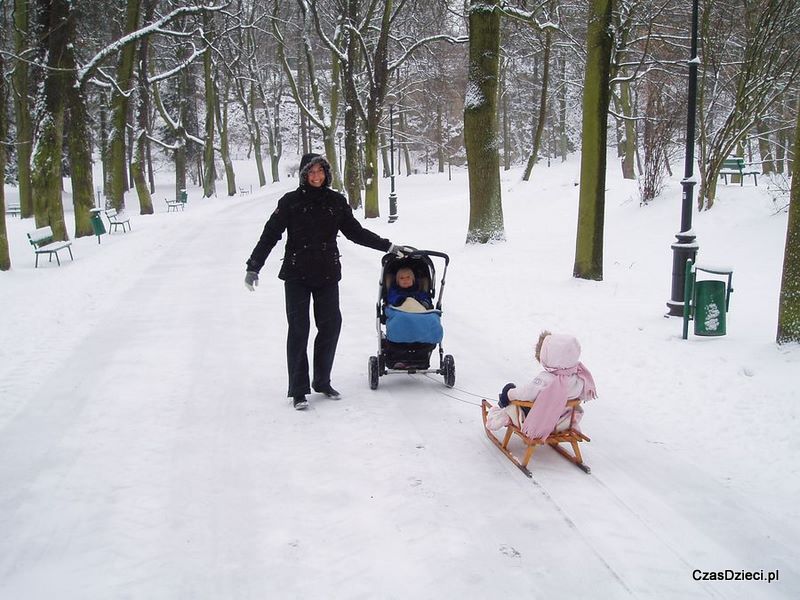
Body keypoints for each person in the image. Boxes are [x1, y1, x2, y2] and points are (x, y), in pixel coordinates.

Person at [245, 153, 412, 410]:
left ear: (326, 173)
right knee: (299, 331)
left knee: (331, 326)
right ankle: (299, 390)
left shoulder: (335, 201)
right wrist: (254, 266)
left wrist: (387, 246)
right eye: (311, 173)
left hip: (326, 274)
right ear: (303, 175)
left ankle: (322, 381)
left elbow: (355, 232)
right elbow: (270, 235)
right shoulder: (290, 202)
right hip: (296, 274)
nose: (316, 177)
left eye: (320, 172)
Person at [487, 331, 597, 439]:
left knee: (512, 402)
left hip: (541, 422)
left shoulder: (546, 380)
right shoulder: (579, 378)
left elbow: (525, 394)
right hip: (563, 421)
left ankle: (503, 415)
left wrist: (508, 393)